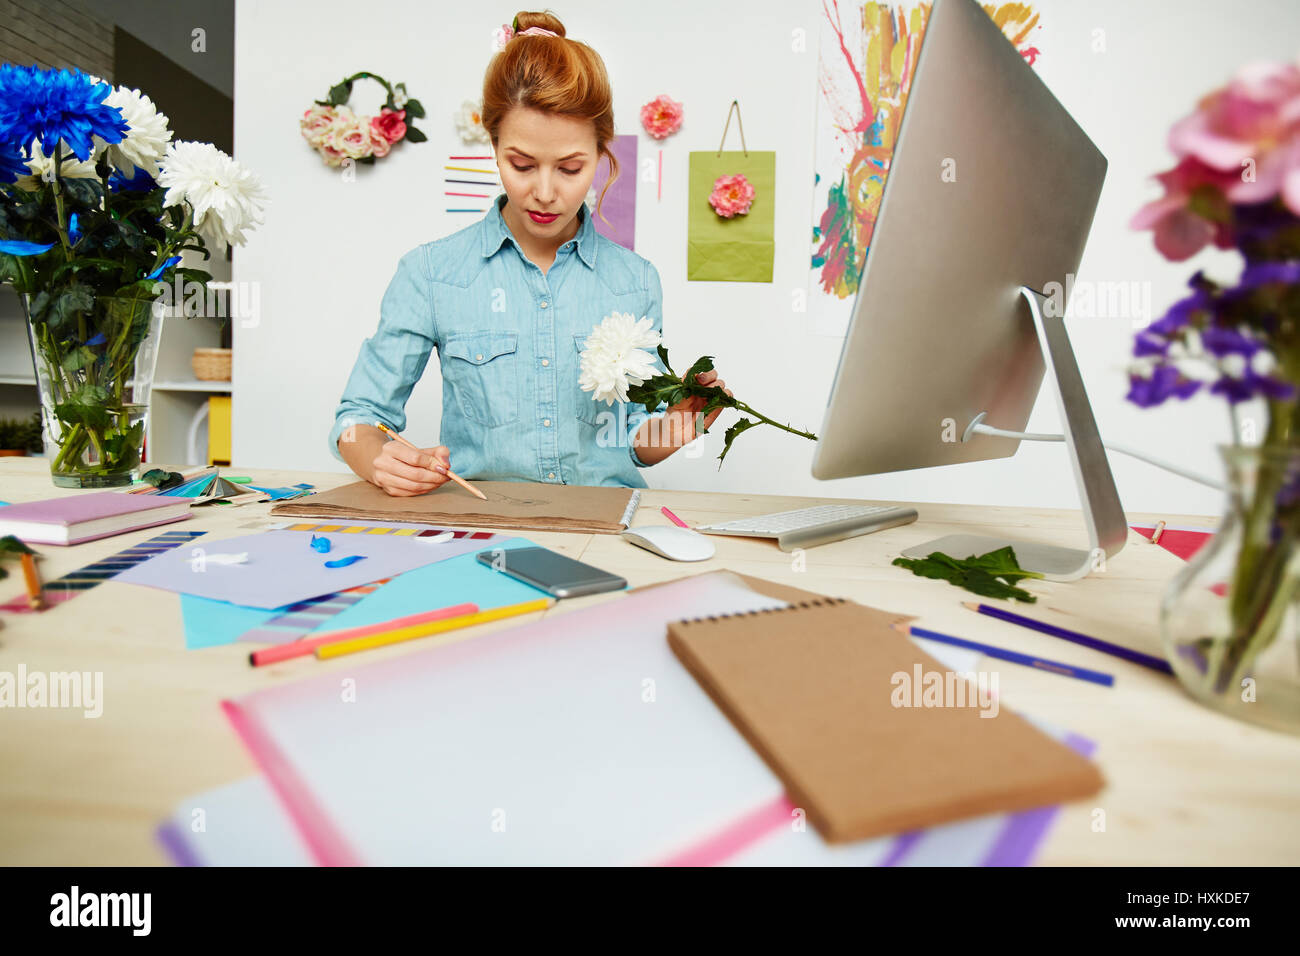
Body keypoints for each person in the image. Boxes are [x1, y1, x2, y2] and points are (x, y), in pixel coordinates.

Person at [329, 10, 731, 496]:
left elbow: (629, 441)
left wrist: (678, 426)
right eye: (521, 165)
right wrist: (380, 459)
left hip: (602, 526)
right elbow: (358, 419)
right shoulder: (431, 274)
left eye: (569, 168)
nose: (544, 192)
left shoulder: (636, 281)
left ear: (602, 155)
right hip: (483, 526)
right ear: (494, 146)